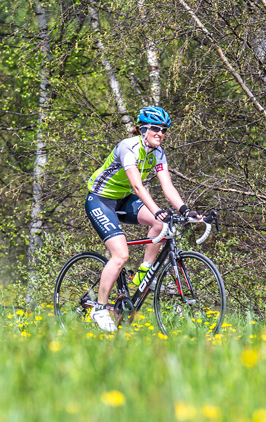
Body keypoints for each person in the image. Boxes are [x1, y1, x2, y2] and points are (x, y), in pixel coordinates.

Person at [85, 106, 200, 332]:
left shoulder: (158, 154)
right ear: (143, 129)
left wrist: (186, 210)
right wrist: (156, 208)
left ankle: (143, 272)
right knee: (120, 255)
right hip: (100, 199)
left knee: (162, 223)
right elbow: (138, 186)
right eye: (155, 129)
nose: (160, 133)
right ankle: (99, 309)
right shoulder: (128, 148)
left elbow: (167, 187)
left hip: (122, 199)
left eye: (164, 130)